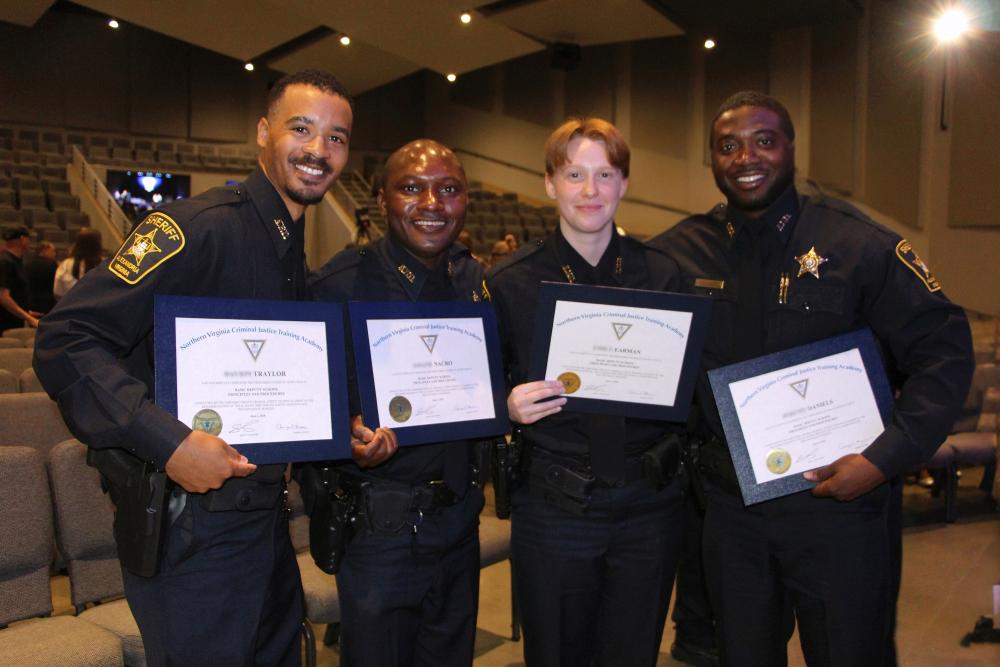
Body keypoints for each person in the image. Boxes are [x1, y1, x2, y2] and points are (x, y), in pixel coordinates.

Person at [33, 69, 355, 666]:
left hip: (266, 526)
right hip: (191, 536)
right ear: (263, 132)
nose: (318, 149)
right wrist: (171, 442)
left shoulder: (293, 257)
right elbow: (66, 339)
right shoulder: (190, 228)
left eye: (336, 137)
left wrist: (339, 430)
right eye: (301, 129)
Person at [649, 91, 974, 666]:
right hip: (733, 512)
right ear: (712, 160)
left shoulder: (859, 244)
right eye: (728, 146)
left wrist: (883, 459)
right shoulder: (678, 254)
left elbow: (944, 353)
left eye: (764, 141)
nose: (746, 157)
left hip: (840, 506)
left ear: (791, 148)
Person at [488, 118, 685, 666]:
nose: (590, 190)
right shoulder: (510, 282)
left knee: (633, 654)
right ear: (550, 183)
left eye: (605, 174)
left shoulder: (664, 276)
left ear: (625, 183)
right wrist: (506, 405)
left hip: (648, 507)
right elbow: (481, 387)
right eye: (574, 174)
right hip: (555, 507)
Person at [306, 139, 487, 666]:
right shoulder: (337, 286)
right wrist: (347, 437)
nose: (432, 203)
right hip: (380, 533)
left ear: (465, 200)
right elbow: (307, 406)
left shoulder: (474, 281)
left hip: (460, 521)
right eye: (411, 188)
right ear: (383, 202)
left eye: (448, 189)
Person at [0, 225, 40, 331]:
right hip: (5, 323)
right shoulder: (5, 262)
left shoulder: (16, 260)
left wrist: (26, 311)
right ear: (23, 239)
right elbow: (3, 297)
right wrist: (29, 318)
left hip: (14, 320)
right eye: (28, 239)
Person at [53, 227, 104, 299]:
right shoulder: (106, 265)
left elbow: (57, 292)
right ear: (98, 245)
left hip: (70, 304)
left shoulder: (65, 265)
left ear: (77, 244)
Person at [24, 240, 57, 314]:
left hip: (30, 301)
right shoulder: (52, 264)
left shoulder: (27, 264)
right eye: (52, 251)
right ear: (44, 250)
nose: (54, 254)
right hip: (47, 303)